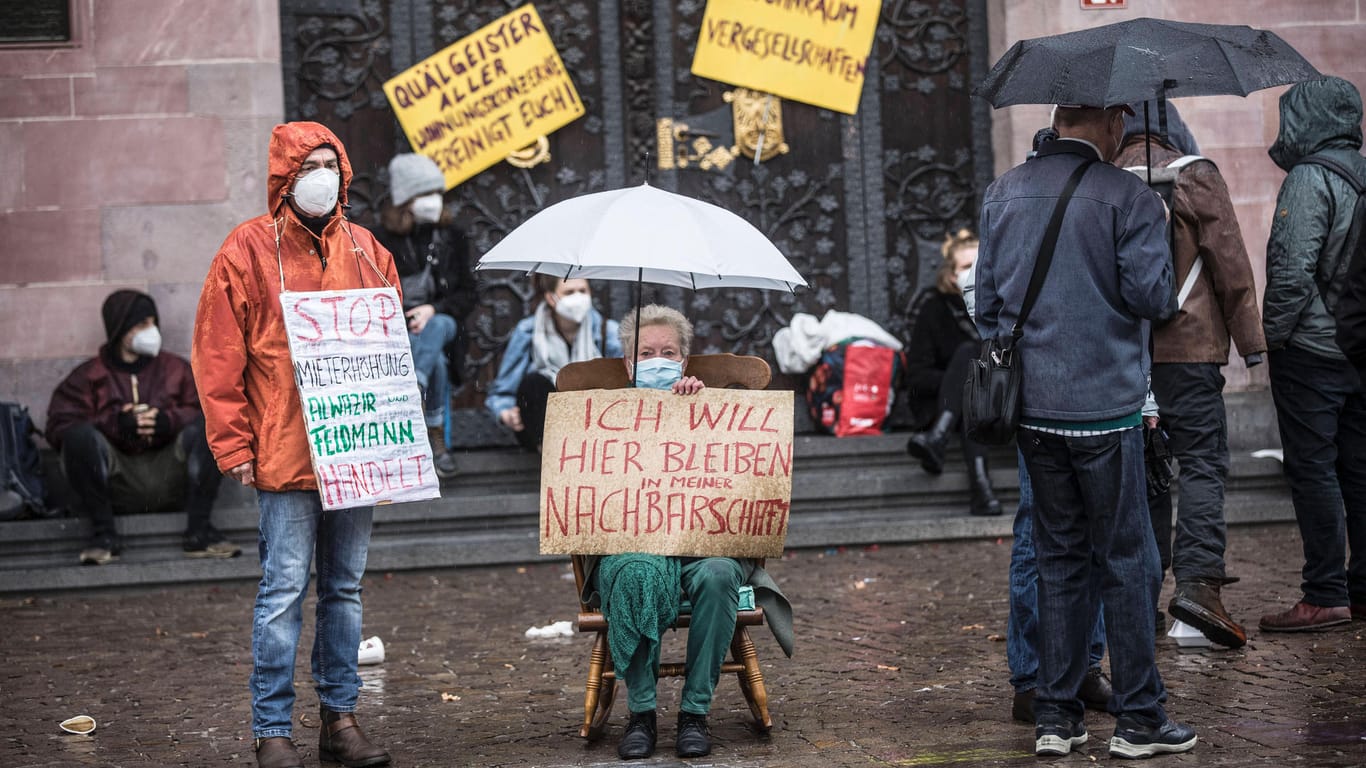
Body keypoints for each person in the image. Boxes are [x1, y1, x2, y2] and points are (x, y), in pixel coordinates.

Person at [977, 103, 1195, 758]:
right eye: (1120, 120)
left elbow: (987, 304)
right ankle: (1140, 719)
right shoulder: (1128, 196)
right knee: (1129, 561)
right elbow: (1153, 300)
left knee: (1059, 557)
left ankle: (1056, 715)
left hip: (1035, 411)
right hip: (1105, 405)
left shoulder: (1003, 191)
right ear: (1104, 123)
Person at [192, 122, 395, 768]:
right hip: (283, 456)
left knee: (344, 590)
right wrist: (233, 446)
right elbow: (217, 357)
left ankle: (340, 720)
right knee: (282, 592)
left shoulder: (367, 251)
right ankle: (271, 728)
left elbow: (390, 355)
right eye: (310, 165)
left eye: (331, 163)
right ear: (285, 175)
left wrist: (394, 443)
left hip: (355, 453)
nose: (323, 176)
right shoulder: (244, 252)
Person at [576, 305, 793, 761]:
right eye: (647, 353)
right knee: (634, 574)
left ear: (684, 361)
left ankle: (695, 712)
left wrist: (695, 412)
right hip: (632, 546)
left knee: (718, 576)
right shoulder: (600, 414)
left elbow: (743, 479)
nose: (658, 359)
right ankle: (642, 714)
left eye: (668, 351)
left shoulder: (705, 406)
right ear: (629, 364)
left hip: (702, 545)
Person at [1114, 100, 1268, 649]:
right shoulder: (1196, 176)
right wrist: (1251, 344)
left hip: (1125, 356)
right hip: (1192, 351)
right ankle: (1200, 585)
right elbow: (1231, 266)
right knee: (1201, 463)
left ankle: (1142, 600)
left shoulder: (1105, 182)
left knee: (1144, 477)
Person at [1258, 76, 1366, 632]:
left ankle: (1325, 592)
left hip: (1314, 350)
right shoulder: (1361, 172)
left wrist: (1271, 337)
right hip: (1359, 347)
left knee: (1313, 470)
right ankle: (1361, 587)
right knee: (1359, 470)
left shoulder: (1310, 177)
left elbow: (1291, 270)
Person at [45, 290, 240, 565]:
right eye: (140, 325)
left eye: (152, 323)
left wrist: (168, 421)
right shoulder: (88, 377)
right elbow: (58, 424)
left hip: (171, 474)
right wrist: (115, 424)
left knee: (211, 426)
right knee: (77, 436)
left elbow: (208, 408)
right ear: (119, 329)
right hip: (118, 479)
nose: (151, 331)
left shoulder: (176, 370)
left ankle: (200, 532)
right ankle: (104, 536)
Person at [374, 152, 476, 480]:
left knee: (442, 323)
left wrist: (434, 309)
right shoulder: (379, 239)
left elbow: (469, 293)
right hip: (396, 329)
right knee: (438, 366)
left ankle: (414, 380)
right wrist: (404, 318)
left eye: (436, 193)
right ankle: (436, 440)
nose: (432, 201)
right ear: (404, 199)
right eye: (423, 194)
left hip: (442, 326)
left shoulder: (452, 236)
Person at [904, 229, 1001, 516]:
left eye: (979, 266)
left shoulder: (1001, 307)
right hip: (940, 403)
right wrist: (959, 383)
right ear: (950, 276)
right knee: (969, 364)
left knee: (971, 363)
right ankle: (982, 490)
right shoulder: (934, 310)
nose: (973, 274)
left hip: (998, 401)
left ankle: (938, 438)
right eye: (965, 267)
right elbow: (917, 378)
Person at [485, 275, 621, 450]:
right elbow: (501, 392)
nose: (578, 297)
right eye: (569, 292)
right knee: (534, 383)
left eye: (582, 291)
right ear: (551, 298)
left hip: (596, 421)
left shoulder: (607, 331)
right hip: (544, 426)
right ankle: (553, 455)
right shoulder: (528, 331)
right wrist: (506, 413)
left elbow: (626, 385)